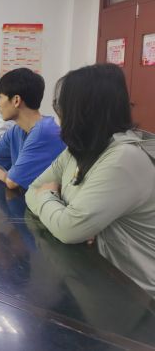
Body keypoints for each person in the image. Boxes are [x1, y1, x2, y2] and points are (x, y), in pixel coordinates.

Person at [26, 64, 155, 298]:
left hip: (136, 295)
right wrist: (64, 214)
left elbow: (68, 229)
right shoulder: (78, 150)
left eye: (61, 106)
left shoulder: (123, 158)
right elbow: (31, 190)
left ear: (82, 112)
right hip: (98, 273)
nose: (59, 114)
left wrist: (47, 196)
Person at [0, 68, 65, 190]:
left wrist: (8, 177)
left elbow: (13, 182)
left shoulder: (44, 131)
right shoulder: (17, 130)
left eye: (1, 97)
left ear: (16, 100)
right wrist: (2, 175)